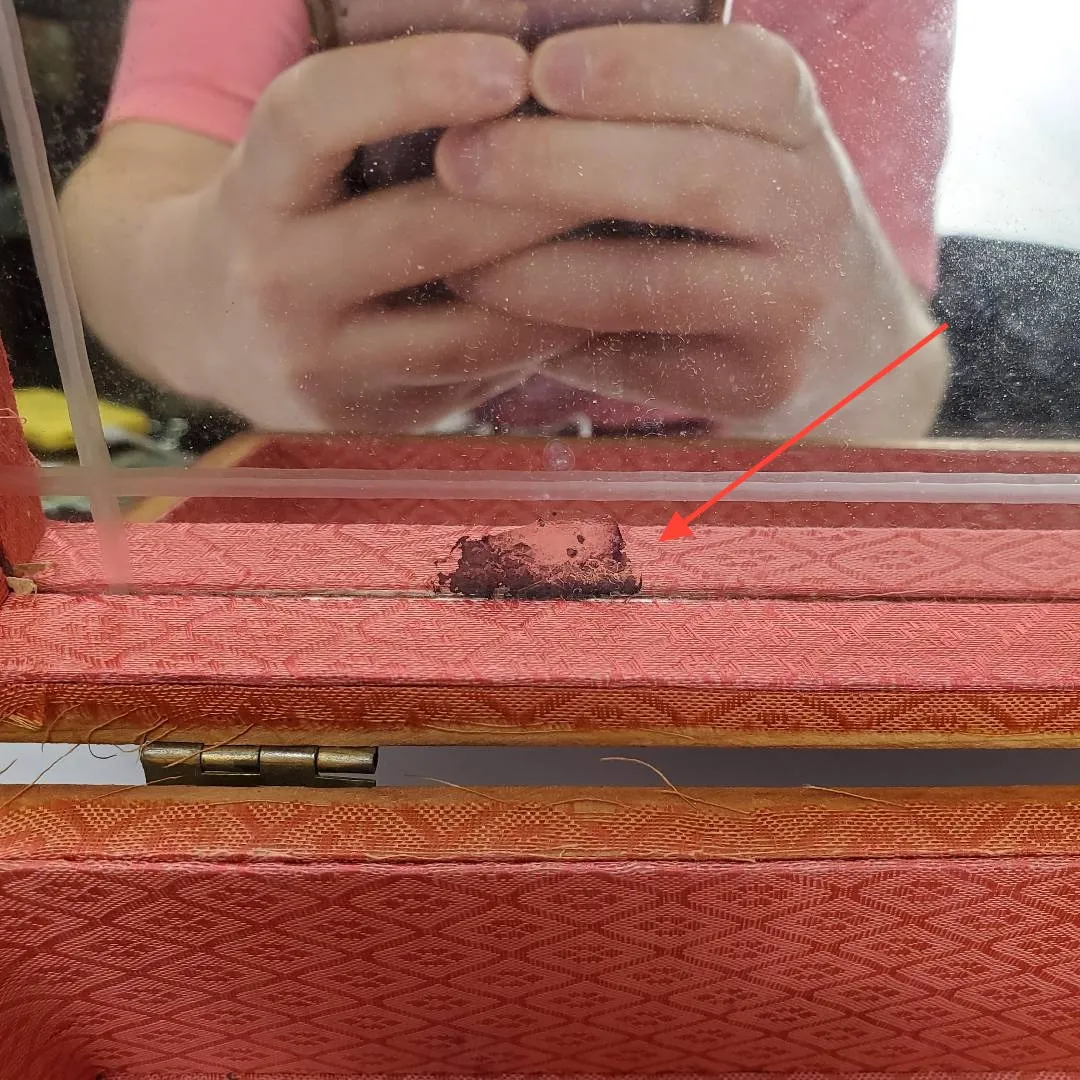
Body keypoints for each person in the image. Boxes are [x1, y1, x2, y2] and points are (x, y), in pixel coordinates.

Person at [59, 0, 955, 440]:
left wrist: (843, 353)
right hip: (357, 489)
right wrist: (214, 302)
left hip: (718, 514)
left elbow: (906, 379)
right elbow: (123, 200)